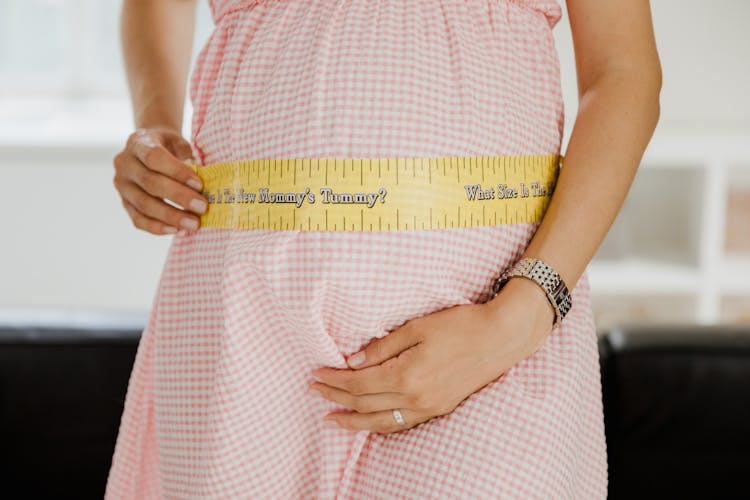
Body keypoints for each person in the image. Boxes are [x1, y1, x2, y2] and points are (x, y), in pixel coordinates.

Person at [106, 0, 661, 498]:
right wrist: (154, 123)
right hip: (245, 311)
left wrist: (519, 318)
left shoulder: (505, 327)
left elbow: (623, 72)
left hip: (492, 323)